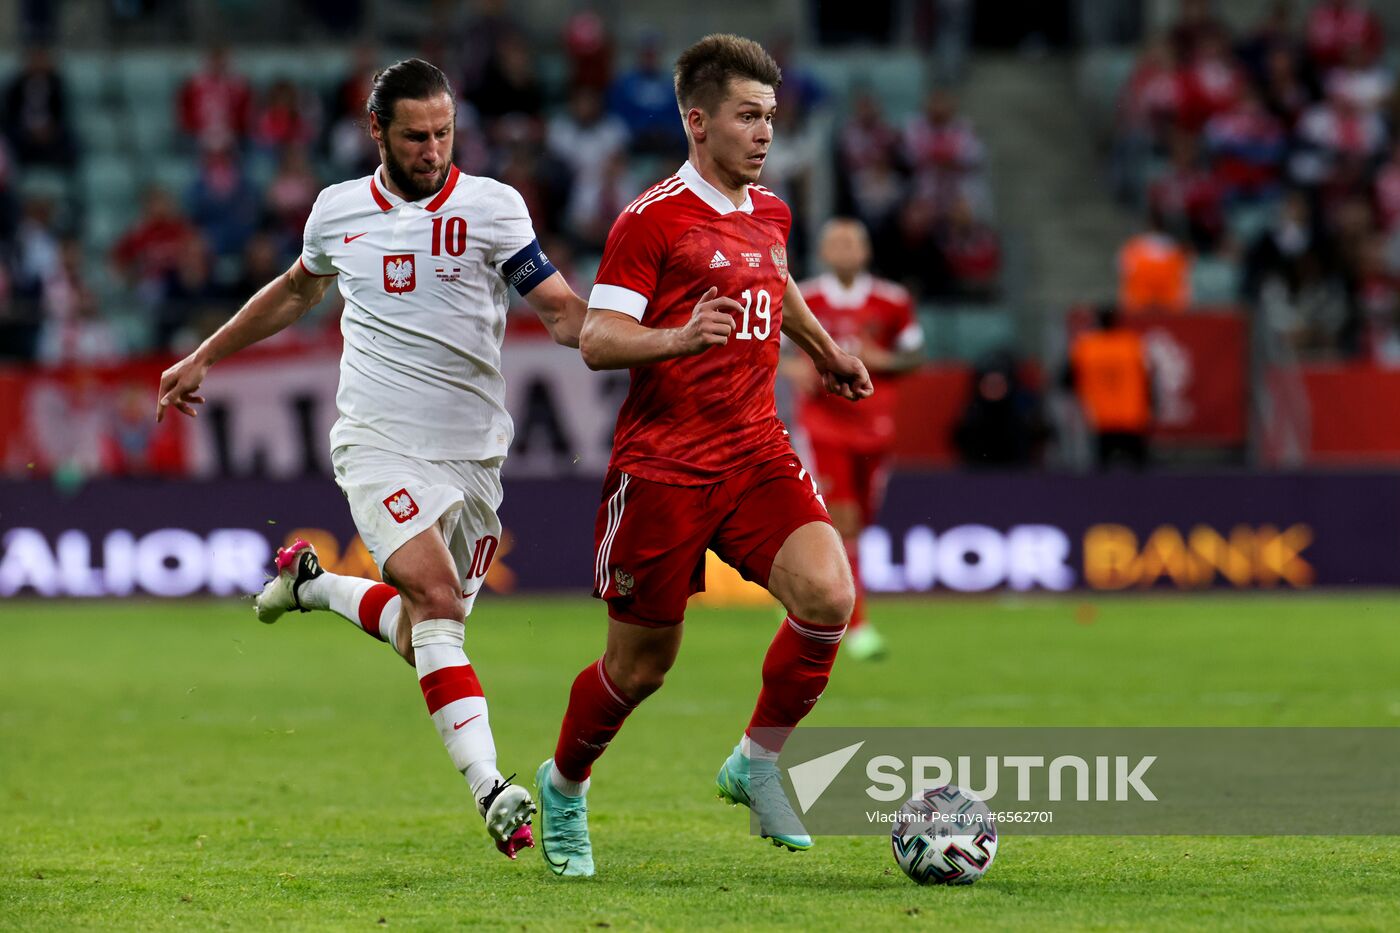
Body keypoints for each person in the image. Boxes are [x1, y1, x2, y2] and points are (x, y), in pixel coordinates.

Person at [155, 59, 588, 861]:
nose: (432, 149)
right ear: (377, 133)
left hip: (473, 457)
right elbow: (293, 290)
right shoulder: (338, 211)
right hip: (377, 441)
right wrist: (204, 354)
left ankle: (313, 585)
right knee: (430, 594)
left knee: (431, 626)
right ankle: (493, 790)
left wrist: (644, 339)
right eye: (416, 135)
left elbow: (560, 311)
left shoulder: (494, 209)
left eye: (444, 133)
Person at [534, 34, 873, 878]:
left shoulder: (772, 211)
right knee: (641, 667)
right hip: (664, 469)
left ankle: (758, 763)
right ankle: (564, 785)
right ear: (698, 122)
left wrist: (825, 349)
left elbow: (776, 278)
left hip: (757, 451)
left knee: (830, 595)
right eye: (747, 117)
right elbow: (599, 339)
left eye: (770, 116)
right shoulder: (649, 221)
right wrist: (682, 336)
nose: (764, 133)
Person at [786, 218, 922, 661]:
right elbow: (769, 349)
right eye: (835, 243)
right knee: (841, 521)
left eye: (852, 242)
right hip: (824, 426)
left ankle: (805, 594)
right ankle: (855, 626)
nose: (844, 250)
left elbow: (914, 355)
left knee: (859, 523)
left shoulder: (893, 301)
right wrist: (796, 371)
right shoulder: (803, 296)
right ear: (824, 252)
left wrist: (883, 359)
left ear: (865, 252)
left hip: (875, 426)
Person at [1067, 305, 1152, 469]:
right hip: (1130, 414)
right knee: (1138, 468)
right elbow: (1147, 377)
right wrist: (1151, 403)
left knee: (1103, 469)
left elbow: (1069, 380)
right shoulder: (1131, 344)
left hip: (1102, 416)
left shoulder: (1087, 346)